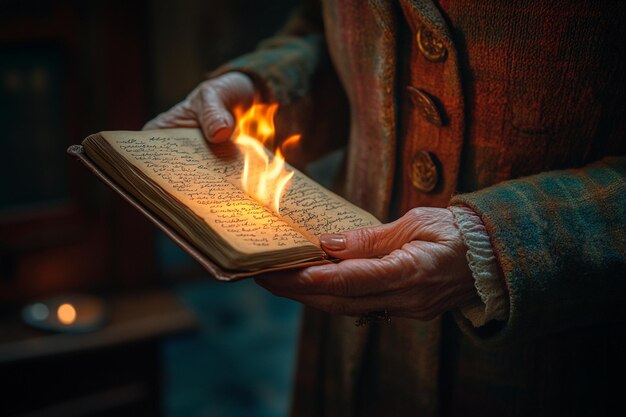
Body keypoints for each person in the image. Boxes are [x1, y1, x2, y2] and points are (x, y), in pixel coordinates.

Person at [145, 1, 626, 416]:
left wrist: (499, 245)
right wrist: (256, 90)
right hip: (350, 343)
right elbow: (323, 23)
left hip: (554, 355)